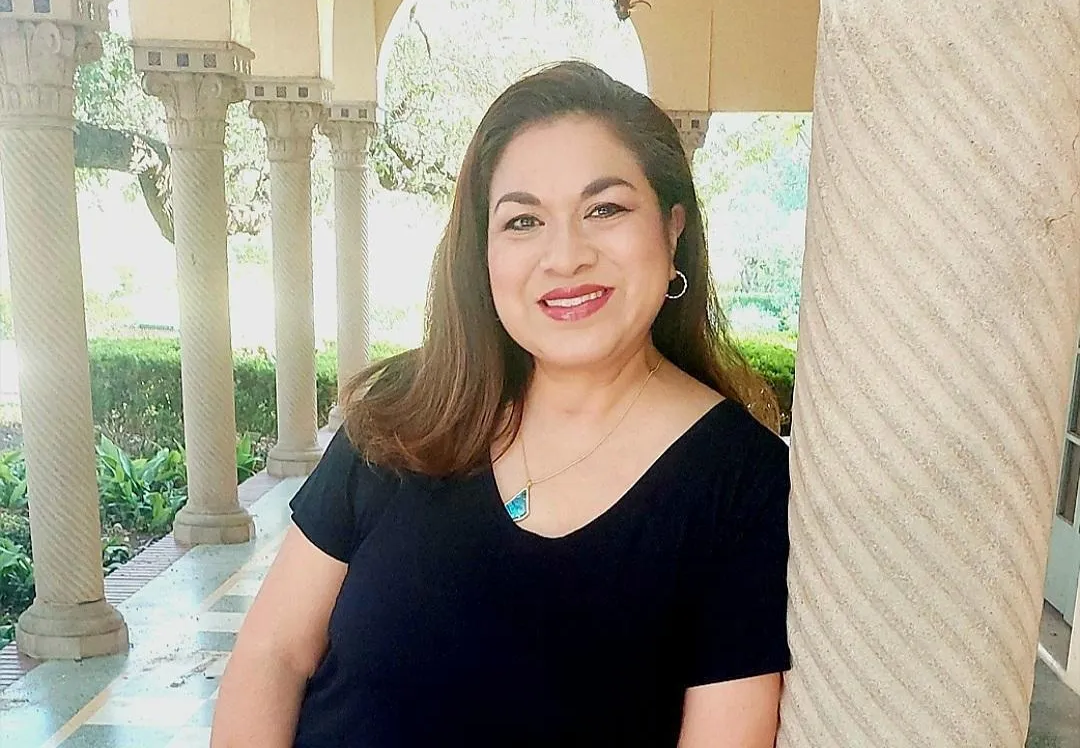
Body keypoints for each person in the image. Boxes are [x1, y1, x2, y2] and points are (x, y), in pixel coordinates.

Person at [211, 60, 791, 748]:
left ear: (672, 231)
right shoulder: (407, 412)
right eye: (523, 221)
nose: (565, 256)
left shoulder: (743, 481)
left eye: (605, 209)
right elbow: (274, 654)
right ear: (482, 254)